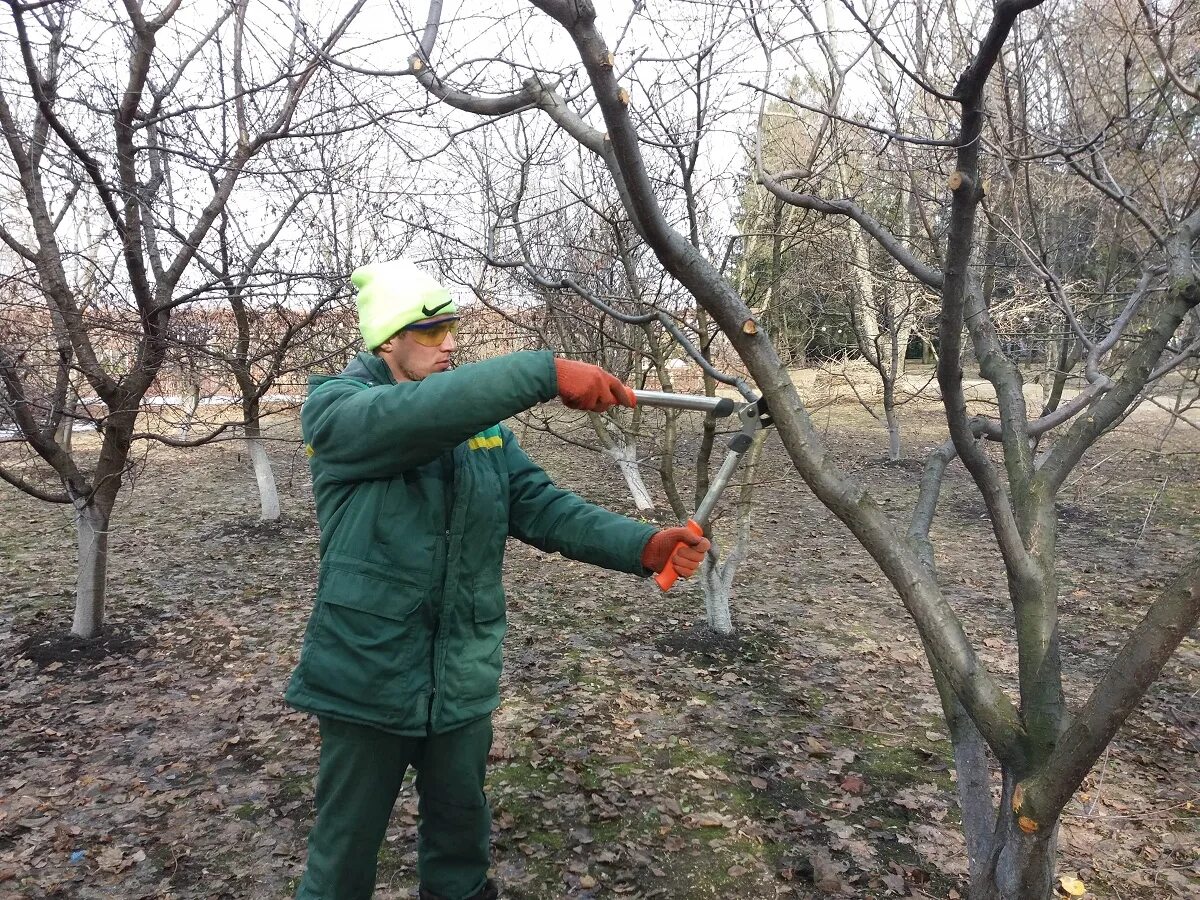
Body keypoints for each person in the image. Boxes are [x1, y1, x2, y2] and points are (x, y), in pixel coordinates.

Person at [286, 259, 711, 900]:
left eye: (452, 328)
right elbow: (414, 418)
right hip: (366, 674)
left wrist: (645, 546)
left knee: (460, 844)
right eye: (430, 331)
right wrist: (542, 372)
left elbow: (538, 505)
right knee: (342, 858)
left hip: (462, 672)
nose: (450, 342)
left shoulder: (479, 429)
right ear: (386, 339)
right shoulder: (338, 413)